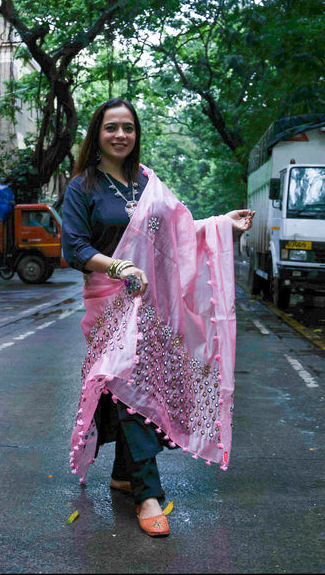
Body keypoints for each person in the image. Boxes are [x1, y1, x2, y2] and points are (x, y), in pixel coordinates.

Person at [61, 97, 255, 537]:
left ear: (136, 133)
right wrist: (120, 266)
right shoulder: (83, 187)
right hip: (110, 307)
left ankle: (124, 473)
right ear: (97, 134)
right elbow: (74, 248)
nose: (120, 135)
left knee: (132, 390)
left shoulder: (148, 182)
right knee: (124, 380)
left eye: (128, 127)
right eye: (111, 127)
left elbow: (180, 233)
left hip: (152, 306)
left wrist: (221, 223)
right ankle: (148, 494)